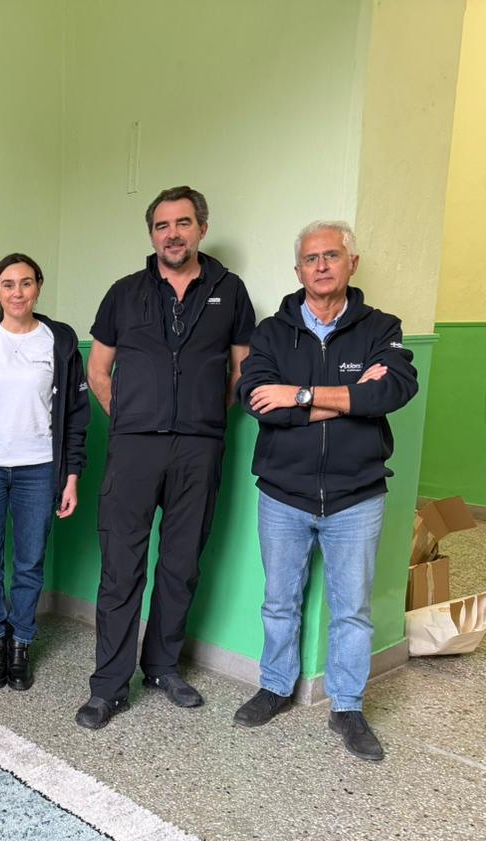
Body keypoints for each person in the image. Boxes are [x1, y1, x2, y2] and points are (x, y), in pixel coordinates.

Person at [235, 221, 417, 762]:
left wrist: (299, 394)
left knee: (353, 609)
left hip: (356, 496)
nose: (321, 266)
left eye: (331, 256)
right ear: (298, 271)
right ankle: (274, 686)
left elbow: (392, 391)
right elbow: (256, 400)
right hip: (283, 494)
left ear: (351, 264)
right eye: (311, 259)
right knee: (279, 601)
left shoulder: (381, 327)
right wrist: (349, 397)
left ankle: (348, 707)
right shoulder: (272, 332)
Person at [78, 185, 256, 731]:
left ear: (201, 228)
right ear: (152, 234)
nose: (172, 234)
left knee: (181, 565)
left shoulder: (231, 292)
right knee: (121, 568)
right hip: (134, 448)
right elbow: (98, 370)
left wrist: (201, 420)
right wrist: (131, 418)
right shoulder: (124, 293)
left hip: (199, 448)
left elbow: (241, 371)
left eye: (182, 223)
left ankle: (161, 667)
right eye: (162, 225)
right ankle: (108, 687)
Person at [0, 253, 90, 691]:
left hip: (39, 470)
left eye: (26, 283)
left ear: (38, 287)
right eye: (8, 284)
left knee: (29, 563)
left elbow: (76, 416)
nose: (17, 292)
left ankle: (21, 642)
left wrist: (72, 476)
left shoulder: (59, 341)